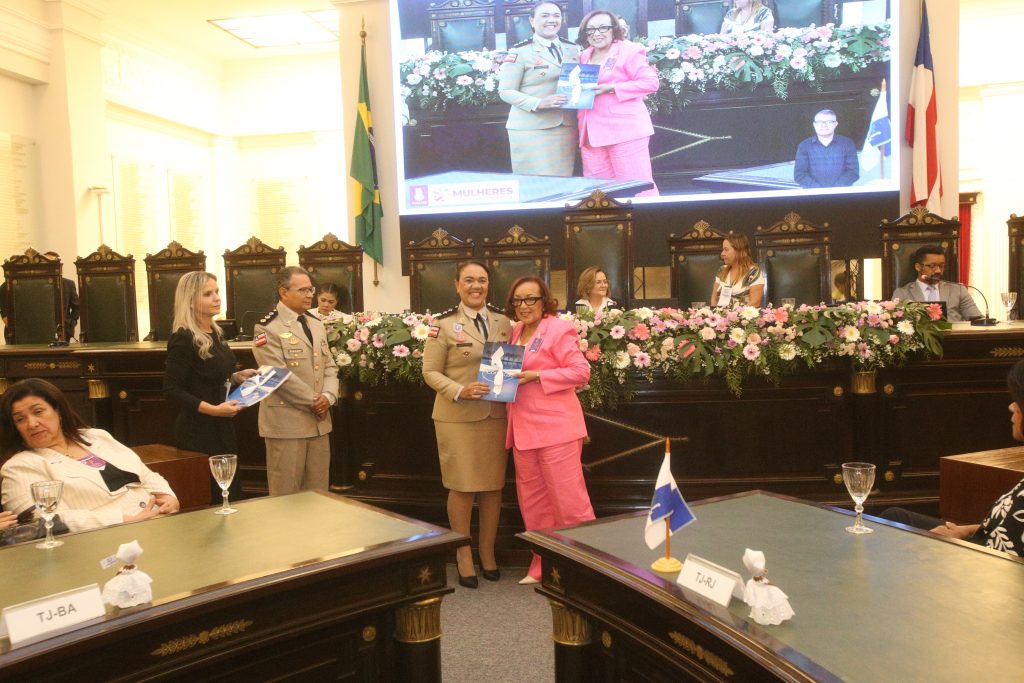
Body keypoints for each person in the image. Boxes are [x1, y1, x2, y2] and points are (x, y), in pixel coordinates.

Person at [422, 260, 513, 589]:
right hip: (456, 417)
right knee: (461, 487)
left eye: (483, 280)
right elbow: (430, 372)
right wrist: (460, 390)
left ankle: (487, 552)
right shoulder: (442, 325)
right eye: (469, 280)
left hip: (495, 416)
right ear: (457, 285)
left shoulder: (505, 321)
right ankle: (462, 554)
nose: (477, 286)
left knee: (492, 488)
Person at [881, 359, 1024, 556]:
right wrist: (963, 530)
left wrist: (950, 547)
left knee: (891, 545)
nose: (1011, 407)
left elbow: (1004, 562)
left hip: (983, 568)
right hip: (980, 542)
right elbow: (1003, 524)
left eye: (1017, 400)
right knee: (893, 517)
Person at [504, 276, 593, 584]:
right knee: (533, 504)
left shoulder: (558, 328)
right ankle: (542, 564)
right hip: (522, 430)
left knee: (570, 503)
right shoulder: (514, 331)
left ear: (544, 301)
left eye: (530, 299)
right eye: (518, 300)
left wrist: (537, 375)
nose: (524, 306)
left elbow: (581, 372)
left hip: (556, 429)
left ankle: (584, 566)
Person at [0, 378, 179, 533]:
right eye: (20, 419)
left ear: (59, 411)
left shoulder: (95, 436)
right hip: (105, 540)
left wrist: (168, 497)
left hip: (161, 522)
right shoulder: (19, 467)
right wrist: (125, 520)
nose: (32, 424)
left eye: (38, 412)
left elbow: (145, 474)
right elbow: (49, 521)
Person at [163, 271, 256, 503]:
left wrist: (236, 377)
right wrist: (214, 410)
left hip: (222, 425)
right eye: (208, 294)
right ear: (191, 301)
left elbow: (208, 376)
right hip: (199, 430)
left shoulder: (215, 331)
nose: (216, 298)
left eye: (216, 292)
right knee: (211, 495)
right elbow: (172, 390)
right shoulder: (183, 338)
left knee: (229, 492)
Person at [252, 266, 339, 495]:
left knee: (319, 497)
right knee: (286, 498)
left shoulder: (315, 323)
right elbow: (277, 375)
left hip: (319, 423)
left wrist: (328, 397)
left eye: (311, 289)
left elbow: (329, 366)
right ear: (283, 292)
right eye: (302, 290)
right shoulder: (267, 327)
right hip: (287, 424)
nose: (310, 294)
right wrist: (315, 401)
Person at [576, 10, 660, 196]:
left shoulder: (629, 49)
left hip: (625, 131)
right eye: (591, 30)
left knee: (636, 188)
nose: (597, 33)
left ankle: (648, 224)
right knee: (598, 193)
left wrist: (612, 88)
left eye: (603, 28)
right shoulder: (583, 56)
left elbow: (651, 83)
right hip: (591, 135)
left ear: (614, 29)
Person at [498, 1, 581, 177]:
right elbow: (505, 91)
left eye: (556, 16)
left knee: (563, 182)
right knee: (535, 186)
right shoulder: (520, 52)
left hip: (565, 126)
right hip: (531, 128)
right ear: (531, 20)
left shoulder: (573, 49)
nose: (552, 20)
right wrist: (538, 103)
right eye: (545, 16)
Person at [891, 245, 982, 322]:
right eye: (932, 266)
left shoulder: (958, 290)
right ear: (918, 267)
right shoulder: (902, 293)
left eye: (941, 266)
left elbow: (977, 319)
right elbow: (895, 323)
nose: (938, 270)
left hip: (954, 340)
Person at [0, 275, 78, 343]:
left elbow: (77, 307)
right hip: (24, 335)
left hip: (60, 333)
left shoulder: (68, 284)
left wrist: (70, 324)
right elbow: (4, 313)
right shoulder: (10, 285)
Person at [794, 109, 859, 188]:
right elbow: (799, 174)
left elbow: (853, 172)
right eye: (820, 122)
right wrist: (819, 191)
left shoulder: (847, 143)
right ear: (814, 124)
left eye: (829, 122)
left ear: (835, 124)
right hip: (813, 196)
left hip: (841, 195)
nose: (824, 125)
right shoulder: (804, 146)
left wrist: (835, 190)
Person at [710, 233, 765, 307]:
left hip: (743, 317)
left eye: (726, 250)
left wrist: (733, 315)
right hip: (721, 316)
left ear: (739, 251)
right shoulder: (722, 270)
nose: (722, 253)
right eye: (723, 250)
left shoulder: (753, 272)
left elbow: (755, 302)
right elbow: (714, 299)